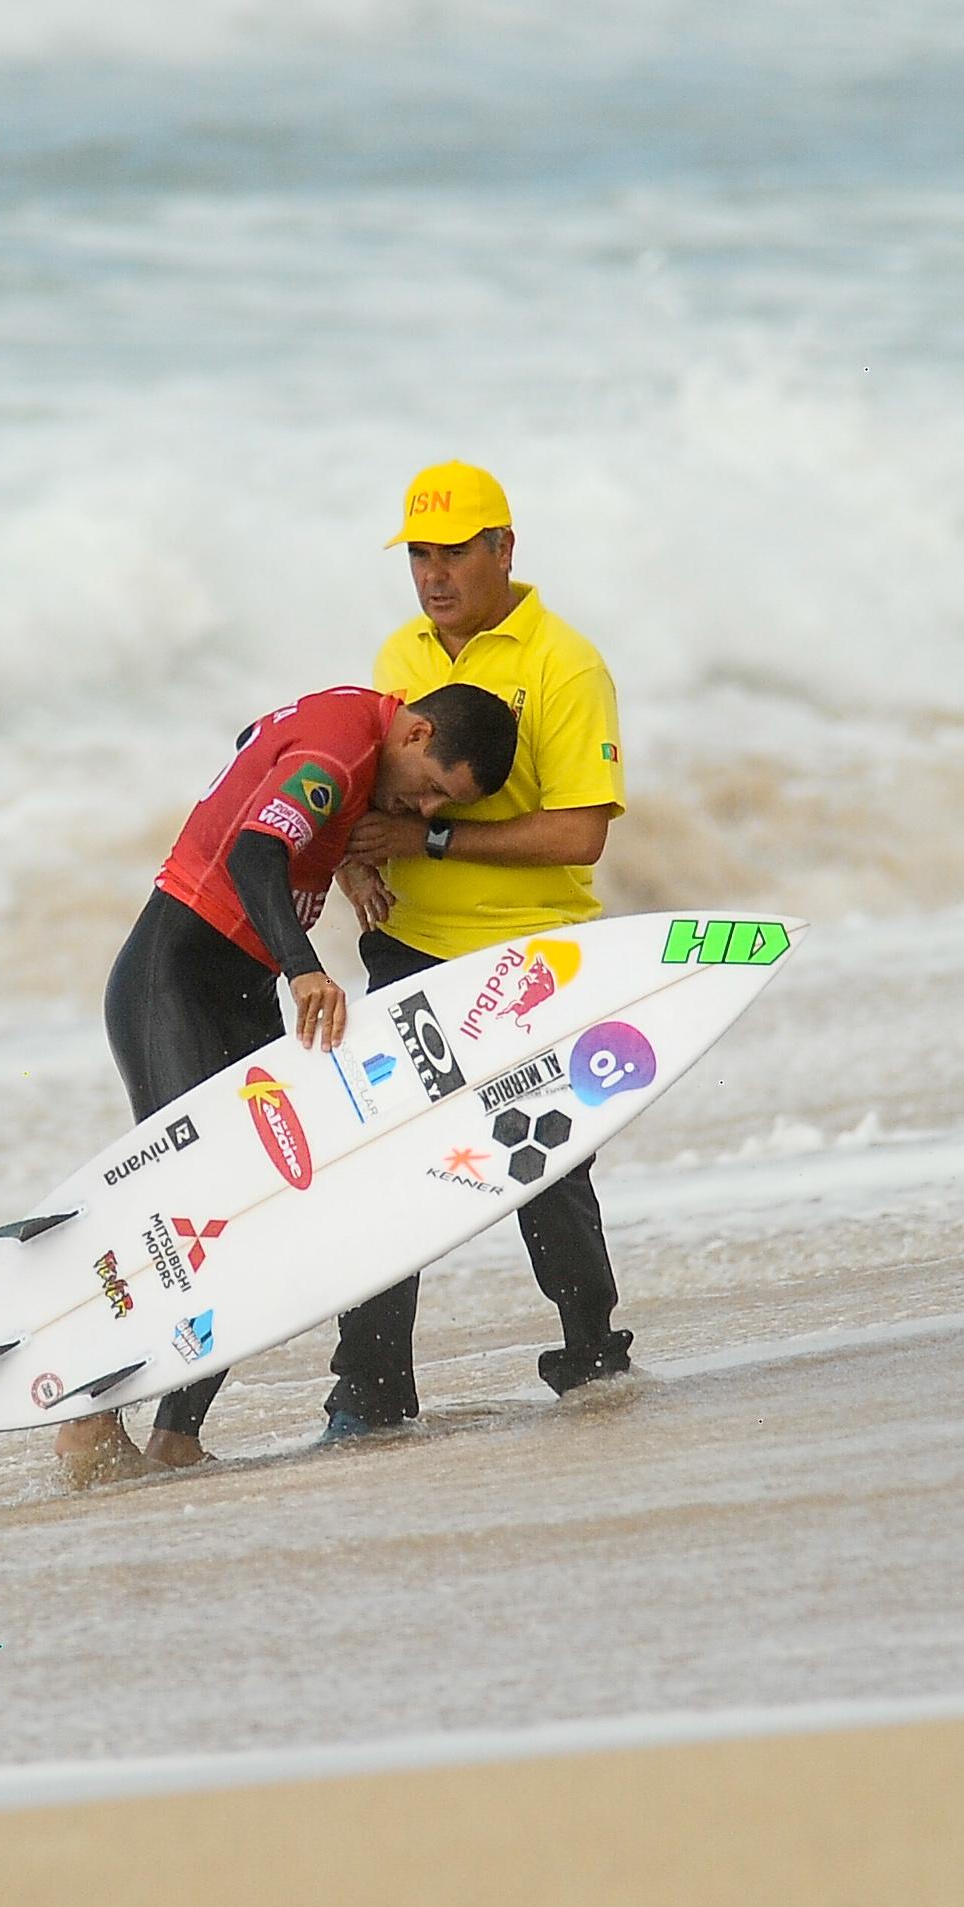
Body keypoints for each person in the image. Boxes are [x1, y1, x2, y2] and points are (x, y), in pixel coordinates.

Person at [54, 678, 518, 1484]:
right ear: (415, 734)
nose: (422, 814)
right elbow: (251, 848)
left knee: (267, 1203)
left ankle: (174, 1440)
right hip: (178, 978)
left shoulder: (350, 737)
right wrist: (306, 968)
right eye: (432, 790)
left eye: (443, 809)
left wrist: (338, 861)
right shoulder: (341, 747)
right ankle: (88, 1417)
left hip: (235, 989)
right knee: (197, 1205)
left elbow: (251, 745)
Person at [321, 460, 632, 1434]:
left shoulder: (564, 664)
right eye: (420, 552)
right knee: (385, 1166)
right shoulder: (397, 653)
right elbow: (362, 784)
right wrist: (351, 861)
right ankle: (370, 1391)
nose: (435, 573)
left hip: (529, 954)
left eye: (455, 550)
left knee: (540, 1157)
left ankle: (592, 1353)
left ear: (505, 548)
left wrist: (432, 837)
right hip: (407, 946)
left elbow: (582, 832)